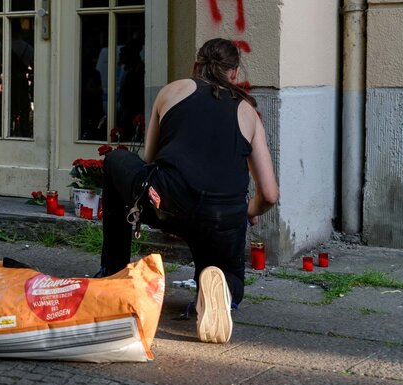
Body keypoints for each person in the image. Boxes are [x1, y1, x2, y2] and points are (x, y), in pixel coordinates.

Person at [97, 38, 279, 344]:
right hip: (222, 216)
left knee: (116, 160)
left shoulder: (172, 91)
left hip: (168, 201)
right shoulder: (248, 112)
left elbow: (150, 159)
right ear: (234, 73)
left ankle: (113, 273)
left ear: (196, 67)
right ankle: (218, 291)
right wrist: (247, 212)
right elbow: (270, 194)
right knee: (227, 273)